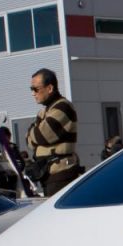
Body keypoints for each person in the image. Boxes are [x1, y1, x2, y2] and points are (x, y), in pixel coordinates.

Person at [27, 68, 80, 196]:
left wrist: (33, 130)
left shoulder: (63, 106)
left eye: (35, 89)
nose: (33, 94)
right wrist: (34, 132)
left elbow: (42, 135)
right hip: (48, 174)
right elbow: (29, 142)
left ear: (50, 88)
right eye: (31, 89)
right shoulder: (44, 111)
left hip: (62, 173)